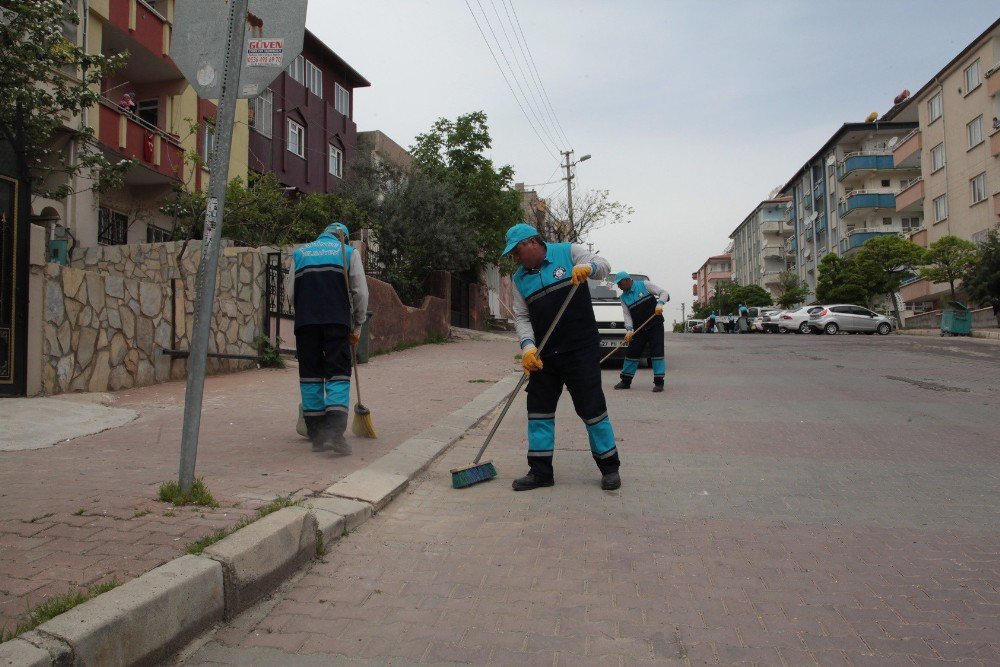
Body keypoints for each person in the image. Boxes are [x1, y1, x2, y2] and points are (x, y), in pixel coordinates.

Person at [502, 222, 621, 492]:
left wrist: (588, 268)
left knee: (591, 408)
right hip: (545, 354)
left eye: (517, 251)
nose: (515, 258)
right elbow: (521, 317)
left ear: (533, 242)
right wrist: (528, 347)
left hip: (580, 349)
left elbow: (603, 265)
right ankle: (541, 472)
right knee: (538, 411)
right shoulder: (520, 278)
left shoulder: (568, 252)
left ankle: (609, 466)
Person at [285, 222, 368, 454]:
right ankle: (333, 431)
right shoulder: (348, 253)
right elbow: (360, 292)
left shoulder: (300, 253)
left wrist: (307, 312)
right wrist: (358, 322)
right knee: (337, 372)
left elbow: (291, 293)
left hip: (305, 323)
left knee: (310, 375)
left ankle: (317, 434)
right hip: (336, 322)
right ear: (343, 238)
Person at [612, 271, 670, 392]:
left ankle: (659, 382)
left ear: (627, 280)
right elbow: (627, 315)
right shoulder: (623, 298)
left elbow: (664, 293)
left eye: (620, 284)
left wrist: (660, 303)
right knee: (632, 353)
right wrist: (629, 330)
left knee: (657, 352)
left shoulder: (644, 285)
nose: (618, 286)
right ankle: (625, 381)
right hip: (639, 328)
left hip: (655, 325)